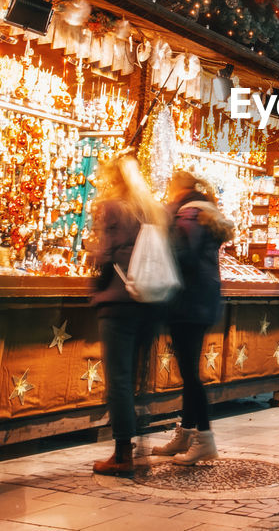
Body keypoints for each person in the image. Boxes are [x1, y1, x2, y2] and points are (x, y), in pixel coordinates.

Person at [89, 155, 166, 476]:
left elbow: (105, 253)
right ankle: (141, 448)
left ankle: (122, 453)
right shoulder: (153, 211)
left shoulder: (113, 207)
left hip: (119, 301)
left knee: (118, 379)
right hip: (149, 301)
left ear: (116, 178)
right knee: (139, 378)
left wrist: (94, 265)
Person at [151, 170, 233, 464]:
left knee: (190, 374)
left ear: (178, 189)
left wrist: (163, 232)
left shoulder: (188, 216)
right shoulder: (203, 213)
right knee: (189, 373)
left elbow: (182, 256)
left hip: (188, 303)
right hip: (198, 302)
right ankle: (186, 434)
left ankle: (205, 439)